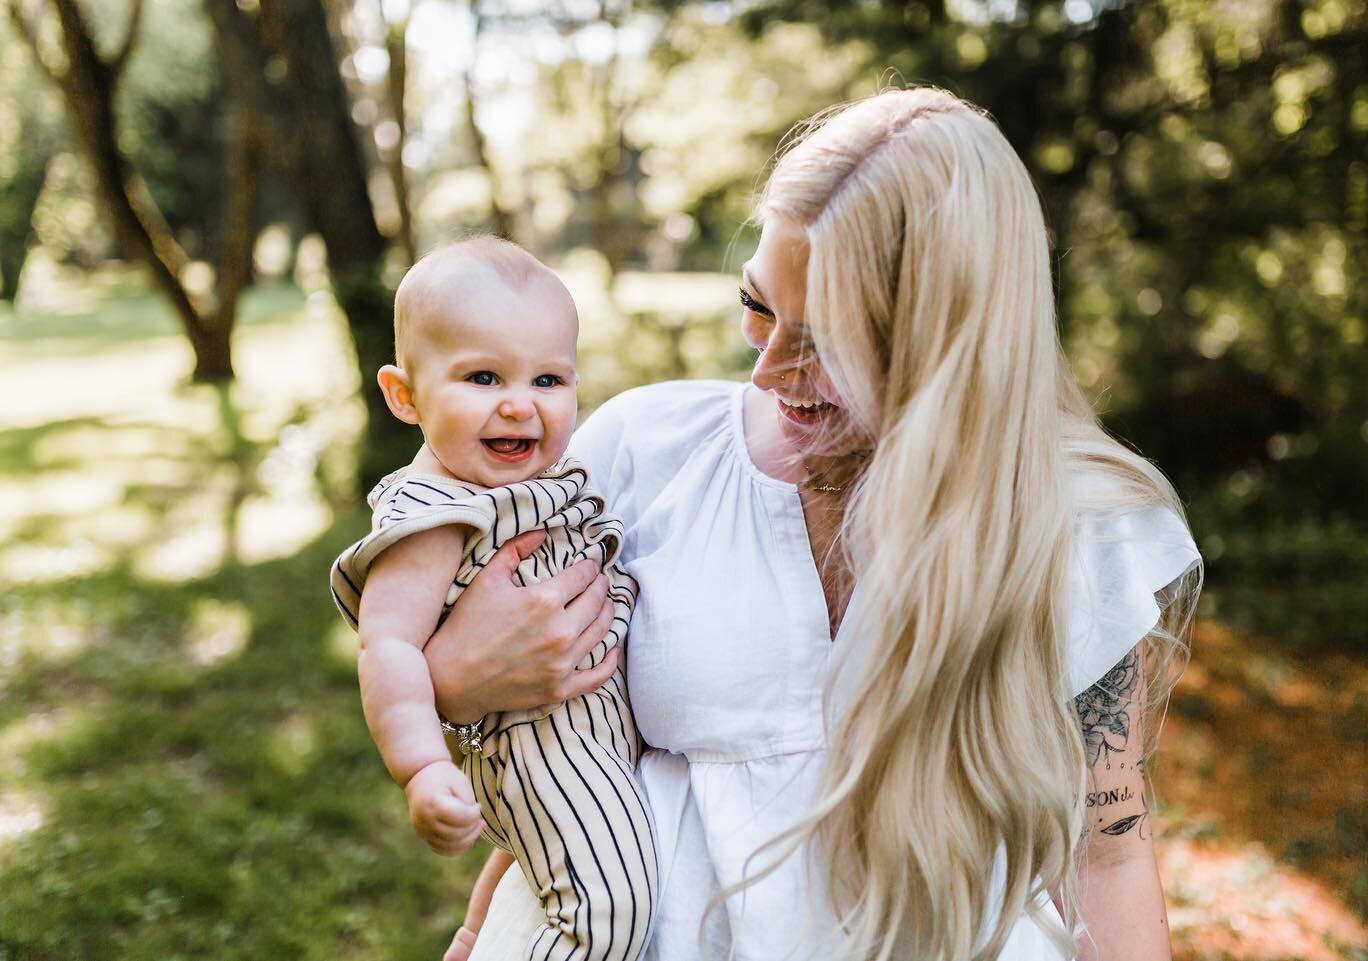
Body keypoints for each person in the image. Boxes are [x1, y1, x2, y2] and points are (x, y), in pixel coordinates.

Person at [421, 88, 1202, 961]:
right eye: (759, 307)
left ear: (950, 347)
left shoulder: (1072, 523)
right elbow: (548, 744)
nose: (768, 370)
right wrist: (451, 683)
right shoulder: (641, 451)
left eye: (827, 341)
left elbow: (1108, 847)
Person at [328, 238, 657, 961]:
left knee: (538, 855)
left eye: (547, 378)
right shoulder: (437, 514)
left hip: (589, 733)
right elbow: (387, 644)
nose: (519, 404)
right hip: (541, 739)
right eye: (482, 377)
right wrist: (421, 766)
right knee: (608, 910)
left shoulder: (540, 477)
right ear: (404, 394)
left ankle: (477, 934)